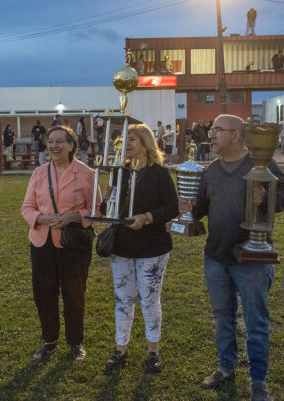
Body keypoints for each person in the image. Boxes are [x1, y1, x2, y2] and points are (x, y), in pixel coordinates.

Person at [178, 114, 284, 401]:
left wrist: (266, 200)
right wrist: (189, 208)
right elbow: (201, 208)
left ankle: (258, 381)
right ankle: (226, 367)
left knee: (256, 322)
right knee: (223, 317)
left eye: (217, 130)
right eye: (212, 129)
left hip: (252, 260)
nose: (212, 135)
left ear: (235, 135)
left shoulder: (261, 162)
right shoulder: (210, 171)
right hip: (216, 257)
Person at [101, 123, 179, 375]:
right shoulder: (119, 172)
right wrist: (105, 201)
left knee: (149, 299)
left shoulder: (159, 173)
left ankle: (153, 352)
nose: (125, 144)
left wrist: (146, 217)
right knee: (123, 299)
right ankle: (120, 349)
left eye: (131, 139)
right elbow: (110, 211)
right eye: (123, 140)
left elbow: (172, 207)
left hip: (152, 247)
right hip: (122, 246)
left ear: (145, 144)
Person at [21, 125, 101, 362]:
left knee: (74, 293)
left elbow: (96, 209)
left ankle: (76, 342)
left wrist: (73, 217)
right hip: (41, 242)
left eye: (59, 142)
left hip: (73, 244)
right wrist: (41, 218)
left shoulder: (86, 174)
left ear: (71, 145)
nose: (54, 146)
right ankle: (49, 341)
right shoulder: (39, 173)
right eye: (50, 141)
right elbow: (27, 207)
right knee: (44, 293)